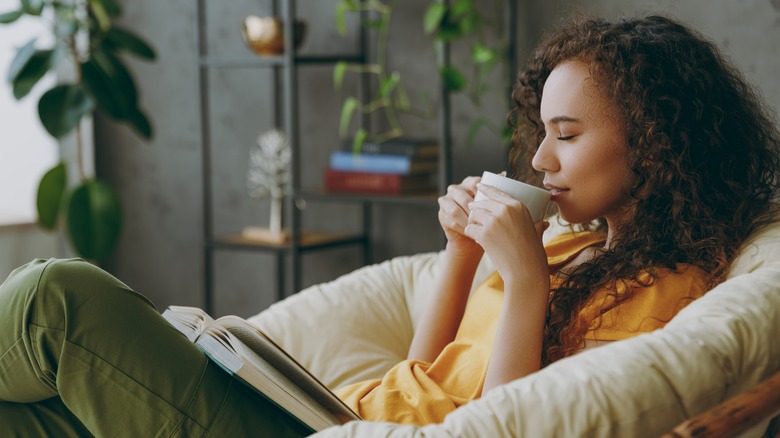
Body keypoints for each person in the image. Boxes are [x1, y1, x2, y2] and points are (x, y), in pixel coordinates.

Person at [1, 13, 778, 437]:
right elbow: (423, 371)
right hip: (339, 415)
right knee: (28, 414)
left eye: (567, 135)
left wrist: (528, 282)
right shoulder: (575, 243)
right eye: (541, 130)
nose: (539, 158)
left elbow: (510, 427)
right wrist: (463, 255)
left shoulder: (661, 288)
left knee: (55, 297)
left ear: (655, 143)